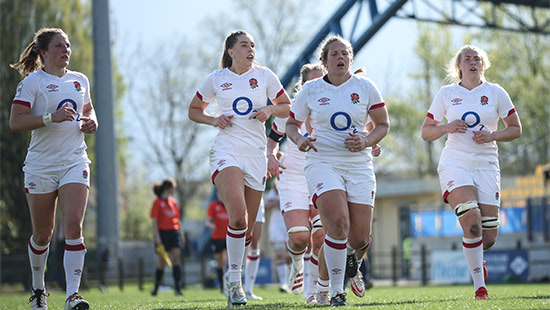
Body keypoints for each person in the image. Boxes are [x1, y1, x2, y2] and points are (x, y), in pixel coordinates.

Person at [188, 29, 291, 306]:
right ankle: (235, 284)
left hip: (256, 156)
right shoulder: (217, 79)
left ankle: (235, 276)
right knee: (238, 217)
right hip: (227, 151)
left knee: (246, 230)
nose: (251, 49)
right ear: (231, 51)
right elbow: (194, 109)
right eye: (244, 45)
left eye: (253, 45)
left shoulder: (265, 75)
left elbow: (286, 106)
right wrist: (213, 120)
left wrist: (269, 110)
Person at [286, 35, 389, 306]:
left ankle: (349, 262)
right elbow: (291, 125)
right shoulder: (311, 90)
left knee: (359, 238)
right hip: (323, 163)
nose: (341, 58)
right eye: (335, 54)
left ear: (351, 60)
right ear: (324, 61)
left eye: (345, 53)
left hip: (359, 166)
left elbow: (382, 124)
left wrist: (366, 141)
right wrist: (300, 140)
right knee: (338, 227)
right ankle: (332, 290)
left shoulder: (366, 87)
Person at [421, 45, 522, 300]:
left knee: (487, 238)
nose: (473, 62)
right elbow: (426, 131)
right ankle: (480, 288)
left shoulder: (496, 92)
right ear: (459, 67)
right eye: (467, 59)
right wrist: (446, 127)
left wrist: (492, 135)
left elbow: (515, 128)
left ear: (483, 65)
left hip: (487, 164)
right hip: (455, 162)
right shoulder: (446, 94)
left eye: (477, 58)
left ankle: (479, 258)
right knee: (472, 222)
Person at [9, 27, 97, 310]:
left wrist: (91, 121)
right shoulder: (32, 82)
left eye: (68, 45)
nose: (66, 50)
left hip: (74, 160)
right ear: (44, 53)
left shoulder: (79, 80)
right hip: (40, 166)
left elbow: (88, 110)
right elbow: (16, 122)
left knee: (74, 225)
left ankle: (73, 295)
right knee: (43, 234)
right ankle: (38, 290)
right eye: (59, 46)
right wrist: (51, 117)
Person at [150, 178, 186, 296]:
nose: (174, 190)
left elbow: (177, 220)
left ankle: (178, 289)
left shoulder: (174, 202)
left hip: (174, 233)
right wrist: (157, 237)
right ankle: (156, 287)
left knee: (176, 260)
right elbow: (154, 221)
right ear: (168, 189)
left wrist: (181, 234)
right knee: (162, 263)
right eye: (173, 187)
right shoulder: (157, 202)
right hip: (163, 234)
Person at [205, 188, 229, 295]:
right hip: (217, 238)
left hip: (229, 237)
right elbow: (207, 222)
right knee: (220, 263)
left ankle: (230, 285)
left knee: (230, 263)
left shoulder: (230, 204)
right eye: (219, 193)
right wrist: (211, 225)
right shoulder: (213, 205)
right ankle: (221, 286)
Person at [244, 198, 266, 300]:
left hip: (258, 197)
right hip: (242, 199)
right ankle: (231, 279)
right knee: (243, 241)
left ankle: (248, 290)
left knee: (255, 246)